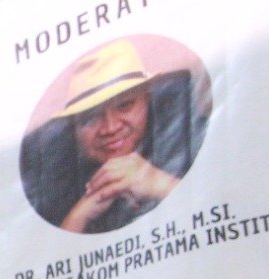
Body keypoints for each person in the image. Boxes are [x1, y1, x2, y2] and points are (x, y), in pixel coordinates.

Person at [52, 39, 190, 234]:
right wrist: (78, 216)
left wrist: (160, 184)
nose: (110, 128)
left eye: (124, 105)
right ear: (73, 129)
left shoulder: (186, 142)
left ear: (147, 100)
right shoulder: (56, 186)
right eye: (90, 117)